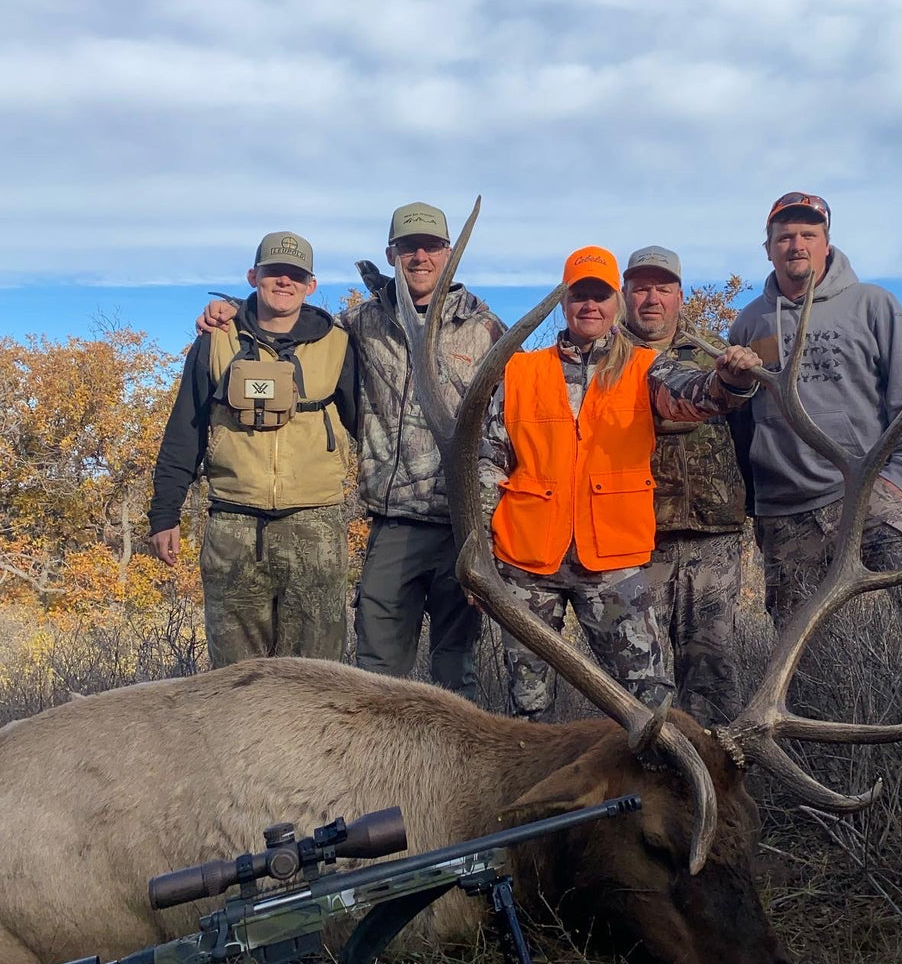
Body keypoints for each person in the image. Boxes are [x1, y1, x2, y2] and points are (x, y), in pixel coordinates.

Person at [480, 246, 761, 721]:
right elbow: (489, 461)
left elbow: (691, 397)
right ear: (564, 302)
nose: (590, 305)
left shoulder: (644, 366)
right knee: (528, 710)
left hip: (612, 565)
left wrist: (727, 383)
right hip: (525, 565)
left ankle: (657, 791)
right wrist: (480, 550)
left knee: (648, 706)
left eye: (601, 295)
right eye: (580, 294)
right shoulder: (520, 370)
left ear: (617, 304)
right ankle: (542, 793)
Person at [729, 192, 902, 663]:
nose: (796, 244)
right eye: (785, 237)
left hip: (865, 492)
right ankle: (817, 734)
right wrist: (755, 505)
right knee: (802, 654)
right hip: (786, 511)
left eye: (807, 235)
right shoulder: (749, 322)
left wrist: (900, 477)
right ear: (769, 248)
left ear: (825, 242)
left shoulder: (873, 304)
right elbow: (739, 422)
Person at [150, 231, 360, 668]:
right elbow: (184, 432)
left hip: (316, 526)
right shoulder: (216, 338)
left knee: (315, 679)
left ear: (310, 285)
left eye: (295, 275)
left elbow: (366, 428)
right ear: (253, 276)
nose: (284, 282)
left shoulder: (339, 343)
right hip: (234, 526)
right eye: (273, 273)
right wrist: (164, 515)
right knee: (235, 680)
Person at [343, 204, 505, 700]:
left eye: (431, 246)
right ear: (390, 254)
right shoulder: (360, 324)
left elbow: (507, 429)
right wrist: (232, 315)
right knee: (377, 677)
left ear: (449, 252)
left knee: (456, 676)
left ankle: (457, 779)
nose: (420, 256)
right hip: (394, 523)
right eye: (408, 247)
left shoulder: (487, 328)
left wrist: (488, 529)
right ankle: (375, 778)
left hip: (461, 527)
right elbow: (292, 332)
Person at [622, 246, 749, 725]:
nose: (651, 299)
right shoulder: (605, 359)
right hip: (636, 542)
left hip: (713, 538)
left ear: (679, 294)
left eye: (662, 288)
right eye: (641, 289)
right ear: (625, 295)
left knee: (713, 673)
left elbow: (749, 431)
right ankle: (646, 791)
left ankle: (717, 788)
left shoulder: (718, 354)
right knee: (640, 680)